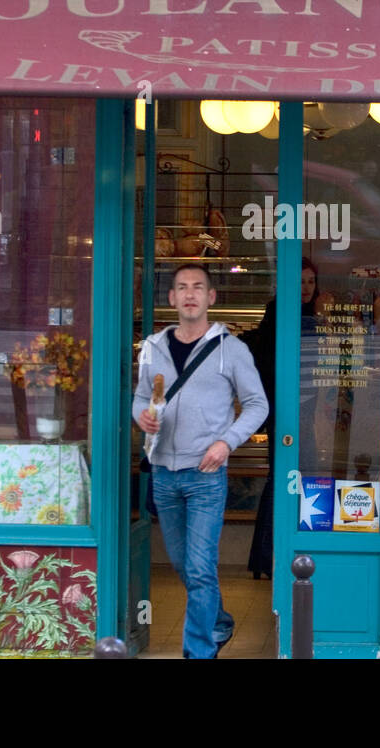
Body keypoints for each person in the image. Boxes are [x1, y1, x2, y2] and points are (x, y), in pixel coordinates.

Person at [133, 264, 268, 658]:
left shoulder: (232, 349)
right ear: (172, 298)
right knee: (184, 566)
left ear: (210, 297)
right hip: (163, 473)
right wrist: (138, 414)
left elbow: (258, 404)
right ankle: (220, 622)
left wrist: (226, 443)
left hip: (206, 474)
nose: (189, 294)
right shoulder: (152, 348)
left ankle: (198, 651)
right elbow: (142, 397)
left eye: (198, 287)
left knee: (199, 568)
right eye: (181, 288)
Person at [243, 258, 319, 579]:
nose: (305, 289)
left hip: (306, 407)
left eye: (310, 282)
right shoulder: (277, 313)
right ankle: (267, 556)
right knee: (283, 477)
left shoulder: (313, 315)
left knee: (295, 475)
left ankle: (280, 554)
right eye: (300, 282)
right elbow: (266, 359)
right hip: (282, 409)